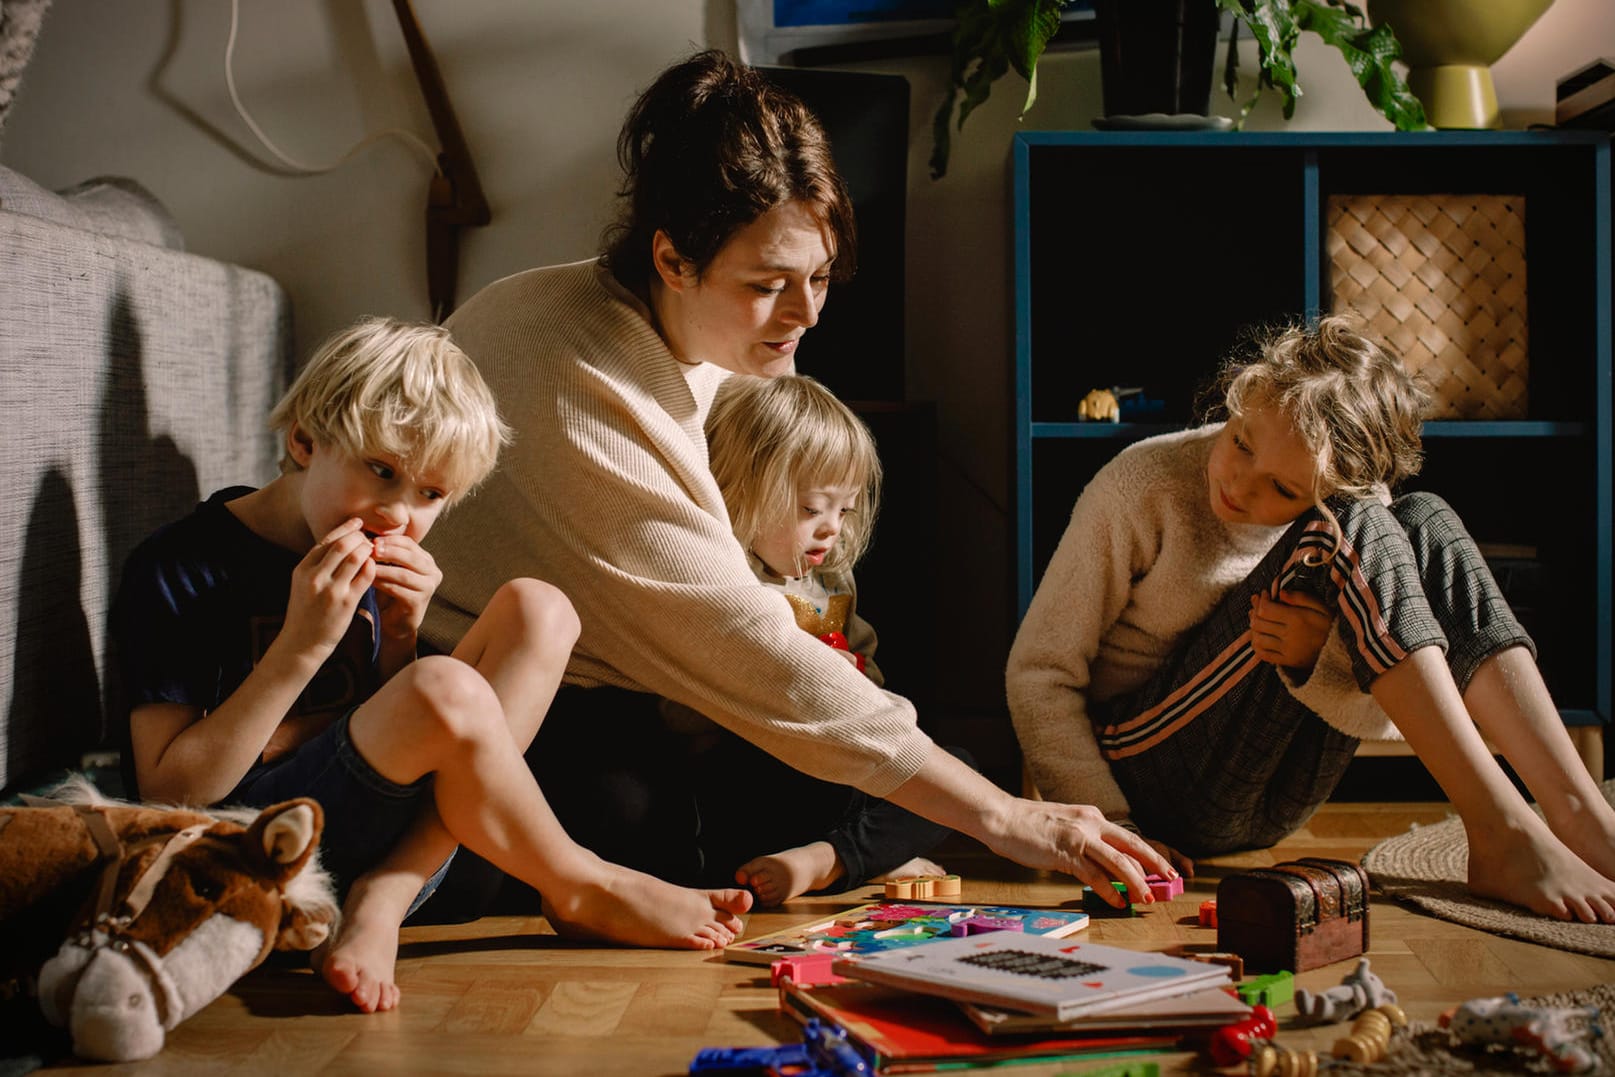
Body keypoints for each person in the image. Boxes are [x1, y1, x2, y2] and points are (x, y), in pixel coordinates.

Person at [420, 49, 1174, 908]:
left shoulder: (693, 342)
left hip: (645, 693)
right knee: (645, 818)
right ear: (671, 259)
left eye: (817, 277)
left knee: (890, 767)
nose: (808, 311)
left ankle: (822, 849)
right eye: (768, 284)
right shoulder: (578, 374)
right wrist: (1005, 817)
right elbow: (739, 639)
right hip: (502, 698)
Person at [112, 316, 752, 1015]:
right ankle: (575, 880)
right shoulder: (181, 566)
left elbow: (390, 729)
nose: (397, 514)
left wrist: (400, 637)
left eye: (430, 495)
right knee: (444, 684)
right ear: (303, 441)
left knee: (540, 608)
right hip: (273, 853)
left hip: (417, 851)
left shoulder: (376, 547)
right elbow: (171, 792)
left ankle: (385, 896)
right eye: (380, 471)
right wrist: (300, 648)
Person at [1007, 314, 1615, 924]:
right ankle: (1500, 827)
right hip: (1143, 781)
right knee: (1354, 527)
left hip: (1278, 796)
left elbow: (1395, 709)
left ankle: (1582, 817)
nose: (1241, 485)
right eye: (1241, 442)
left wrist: (1317, 657)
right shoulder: (1139, 487)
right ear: (1236, 400)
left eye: (1283, 487)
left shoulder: (1356, 508)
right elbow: (1038, 674)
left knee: (1424, 516)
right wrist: (1112, 825)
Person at [686, 372, 961, 904]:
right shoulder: (725, 574)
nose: (831, 527)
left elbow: (867, 667)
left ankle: (829, 861)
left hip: (836, 765)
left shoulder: (831, 578)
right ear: (743, 489)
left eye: (844, 510)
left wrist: (871, 697)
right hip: (751, 776)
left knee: (956, 766)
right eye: (812, 509)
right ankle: (861, 857)